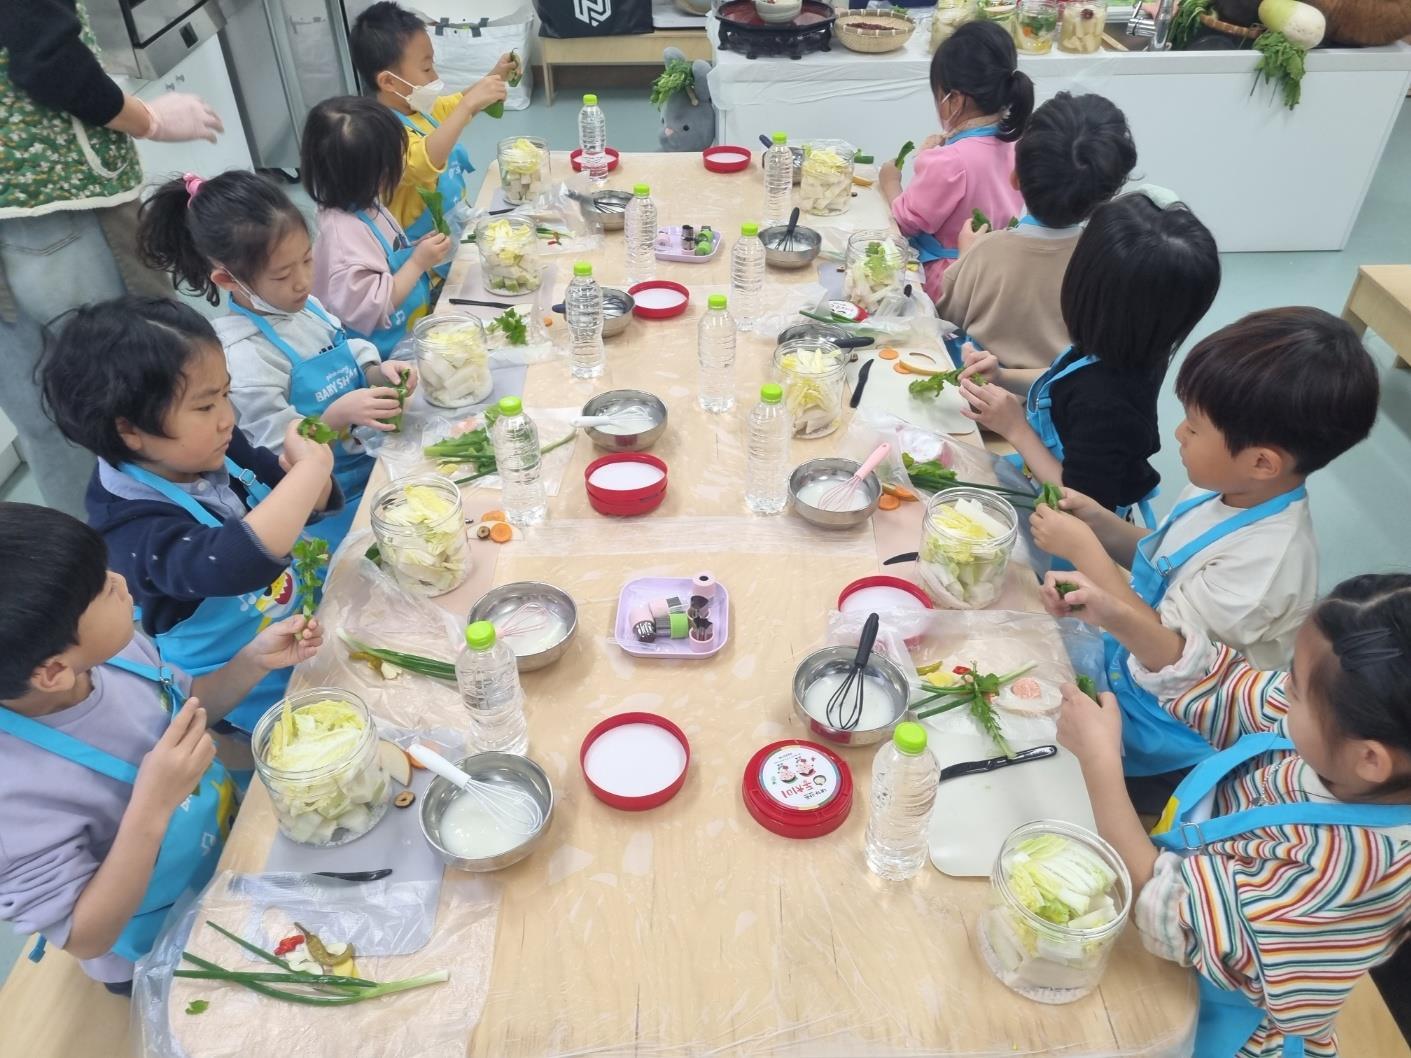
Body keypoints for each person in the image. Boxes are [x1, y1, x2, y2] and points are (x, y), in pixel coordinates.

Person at [1047, 570, 1411, 1058]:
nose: (1283, 691)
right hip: (1171, 889)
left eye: (1298, 689)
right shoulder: (1344, 745)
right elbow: (1226, 687)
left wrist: (1100, 762)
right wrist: (1118, 616)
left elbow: (1174, 914)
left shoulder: (1350, 872)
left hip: (1208, 1011)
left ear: (1369, 758)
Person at [1028, 307, 1380, 789]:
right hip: (1120, 662)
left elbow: (1169, 653)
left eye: (1194, 427)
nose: (1179, 433)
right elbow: (1164, 560)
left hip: (1162, 722)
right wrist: (1100, 523)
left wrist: (1087, 551)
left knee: (1047, 775)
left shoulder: (1266, 565)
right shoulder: (1223, 487)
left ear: (1262, 462)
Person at [0, 502, 321, 992]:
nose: (120, 580)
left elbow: (186, 706)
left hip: (232, 848)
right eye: (101, 589)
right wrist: (152, 805)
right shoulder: (14, 799)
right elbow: (86, 935)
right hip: (165, 942)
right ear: (53, 671)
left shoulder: (111, 653)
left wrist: (251, 663)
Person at [39, 297, 340, 734]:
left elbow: (298, 501)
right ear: (130, 430)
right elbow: (234, 562)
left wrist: (309, 478)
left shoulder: (210, 446)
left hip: (300, 623)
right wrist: (310, 472)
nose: (227, 419)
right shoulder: (127, 530)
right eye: (205, 406)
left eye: (225, 395)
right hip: (238, 682)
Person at [0, 0, 224, 518]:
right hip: (56, 209)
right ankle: (183, 535)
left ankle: (92, 555)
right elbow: (47, 60)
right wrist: (149, 119)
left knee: (45, 418)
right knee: (145, 384)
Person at [137, 169, 417, 548]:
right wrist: (334, 418)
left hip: (376, 463)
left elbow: (344, 346)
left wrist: (375, 371)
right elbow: (276, 456)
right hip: (330, 502)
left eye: (307, 260)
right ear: (228, 280)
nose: (303, 281)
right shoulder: (244, 356)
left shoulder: (307, 307)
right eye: (282, 275)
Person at [959, 192, 1220, 519]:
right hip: (1046, 477)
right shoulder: (1134, 343)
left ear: (1085, 290)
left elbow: (1082, 506)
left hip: (1071, 519)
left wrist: (1016, 429)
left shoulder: (1108, 405)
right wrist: (1002, 376)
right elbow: (1067, 382)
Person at [937, 92, 1137, 379]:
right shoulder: (1107, 266)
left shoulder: (986, 251)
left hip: (975, 394)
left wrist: (966, 258)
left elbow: (945, 321)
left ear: (1015, 177)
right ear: (1108, 195)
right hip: (1057, 401)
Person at [349, 0, 515, 274]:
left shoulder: (417, 108)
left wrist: (494, 77)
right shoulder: (380, 133)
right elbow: (422, 162)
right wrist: (468, 105)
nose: (434, 76)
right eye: (426, 69)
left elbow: (453, 107)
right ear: (388, 82)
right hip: (420, 258)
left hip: (450, 235)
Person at [877, 20, 1033, 303]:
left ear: (955, 100)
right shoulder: (1017, 143)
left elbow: (906, 221)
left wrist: (891, 182)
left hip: (947, 280)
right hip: (996, 273)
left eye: (938, 96)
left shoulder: (950, 161)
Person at [302, 95, 450, 358]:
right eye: (397, 159)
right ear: (375, 174)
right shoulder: (342, 238)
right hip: (384, 358)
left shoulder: (362, 201)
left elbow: (384, 256)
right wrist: (418, 262)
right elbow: (376, 306)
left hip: (409, 334)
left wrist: (414, 249)